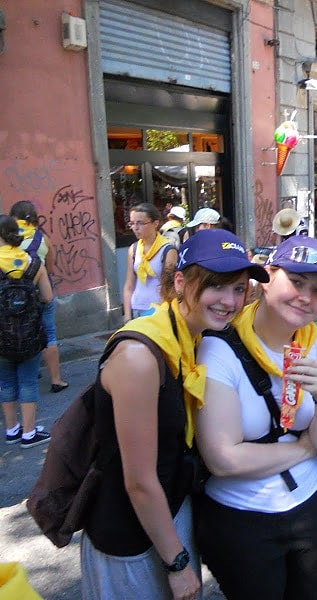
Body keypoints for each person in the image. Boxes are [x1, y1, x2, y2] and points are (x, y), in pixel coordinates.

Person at [80, 229, 268, 600]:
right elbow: (139, 481)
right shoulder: (141, 356)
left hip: (169, 515)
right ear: (180, 282)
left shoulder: (190, 336)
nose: (230, 301)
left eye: (238, 288)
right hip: (130, 538)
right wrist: (177, 563)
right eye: (216, 286)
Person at [193, 235, 317, 600]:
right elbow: (223, 460)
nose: (305, 297)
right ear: (266, 278)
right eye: (295, 282)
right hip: (240, 516)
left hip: (312, 505)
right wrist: (305, 449)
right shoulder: (219, 347)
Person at [1, 214, 53, 449]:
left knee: (5, 381)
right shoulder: (33, 263)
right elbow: (48, 297)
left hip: (1, 336)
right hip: (30, 333)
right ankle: (30, 432)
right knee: (28, 381)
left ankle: (12, 429)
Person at [9, 201, 69, 393]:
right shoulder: (43, 239)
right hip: (43, 292)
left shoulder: (9, 240)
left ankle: (29, 371)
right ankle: (56, 379)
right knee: (49, 333)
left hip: (15, 298)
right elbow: (50, 269)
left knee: (21, 332)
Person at [123, 203, 178, 323]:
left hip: (158, 310)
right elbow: (129, 285)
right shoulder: (134, 249)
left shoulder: (168, 250)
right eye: (132, 223)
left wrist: (165, 312)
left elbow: (169, 287)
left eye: (140, 223)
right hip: (136, 308)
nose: (135, 227)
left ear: (155, 223)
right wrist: (127, 316)